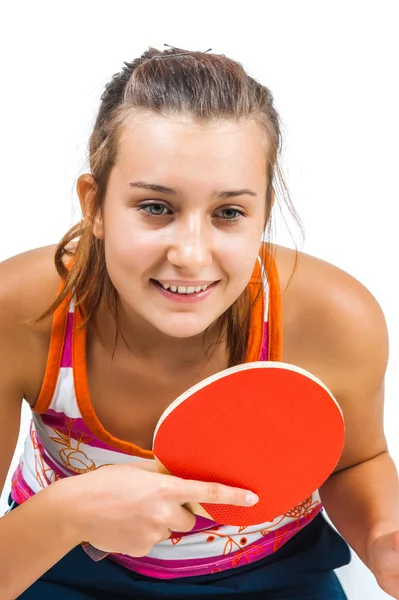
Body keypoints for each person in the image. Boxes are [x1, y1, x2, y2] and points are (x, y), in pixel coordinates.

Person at [0, 45, 398, 600]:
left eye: (229, 213)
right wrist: (70, 512)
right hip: (56, 559)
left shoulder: (335, 318)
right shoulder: (19, 312)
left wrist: (385, 541)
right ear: (94, 205)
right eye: (155, 207)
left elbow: (356, 460)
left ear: (263, 212)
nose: (190, 254)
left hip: (276, 575)